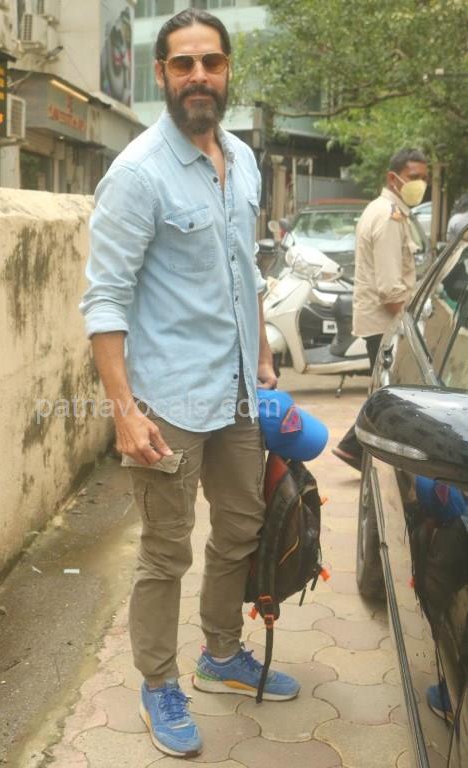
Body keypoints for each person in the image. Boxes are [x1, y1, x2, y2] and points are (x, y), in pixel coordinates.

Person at [80, 8, 300, 759]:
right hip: (167, 401)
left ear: (228, 70)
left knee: (240, 527)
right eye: (183, 64)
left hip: (235, 391)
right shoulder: (137, 173)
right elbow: (105, 301)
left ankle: (220, 653)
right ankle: (157, 684)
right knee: (165, 553)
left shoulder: (241, 158)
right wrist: (123, 411)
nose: (198, 75)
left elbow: (244, 270)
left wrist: (262, 357)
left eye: (211, 61)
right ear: (162, 75)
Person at [332, 148, 429, 471]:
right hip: (386, 322)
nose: (420, 184)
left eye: (424, 178)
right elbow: (389, 289)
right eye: (414, 177)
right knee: (394, 397)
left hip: (380, 321)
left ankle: (354, 449)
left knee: (388, 394)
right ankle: (355, 447)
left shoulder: (386, 210)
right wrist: (411, 329)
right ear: (393, 178)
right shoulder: (388, 216)